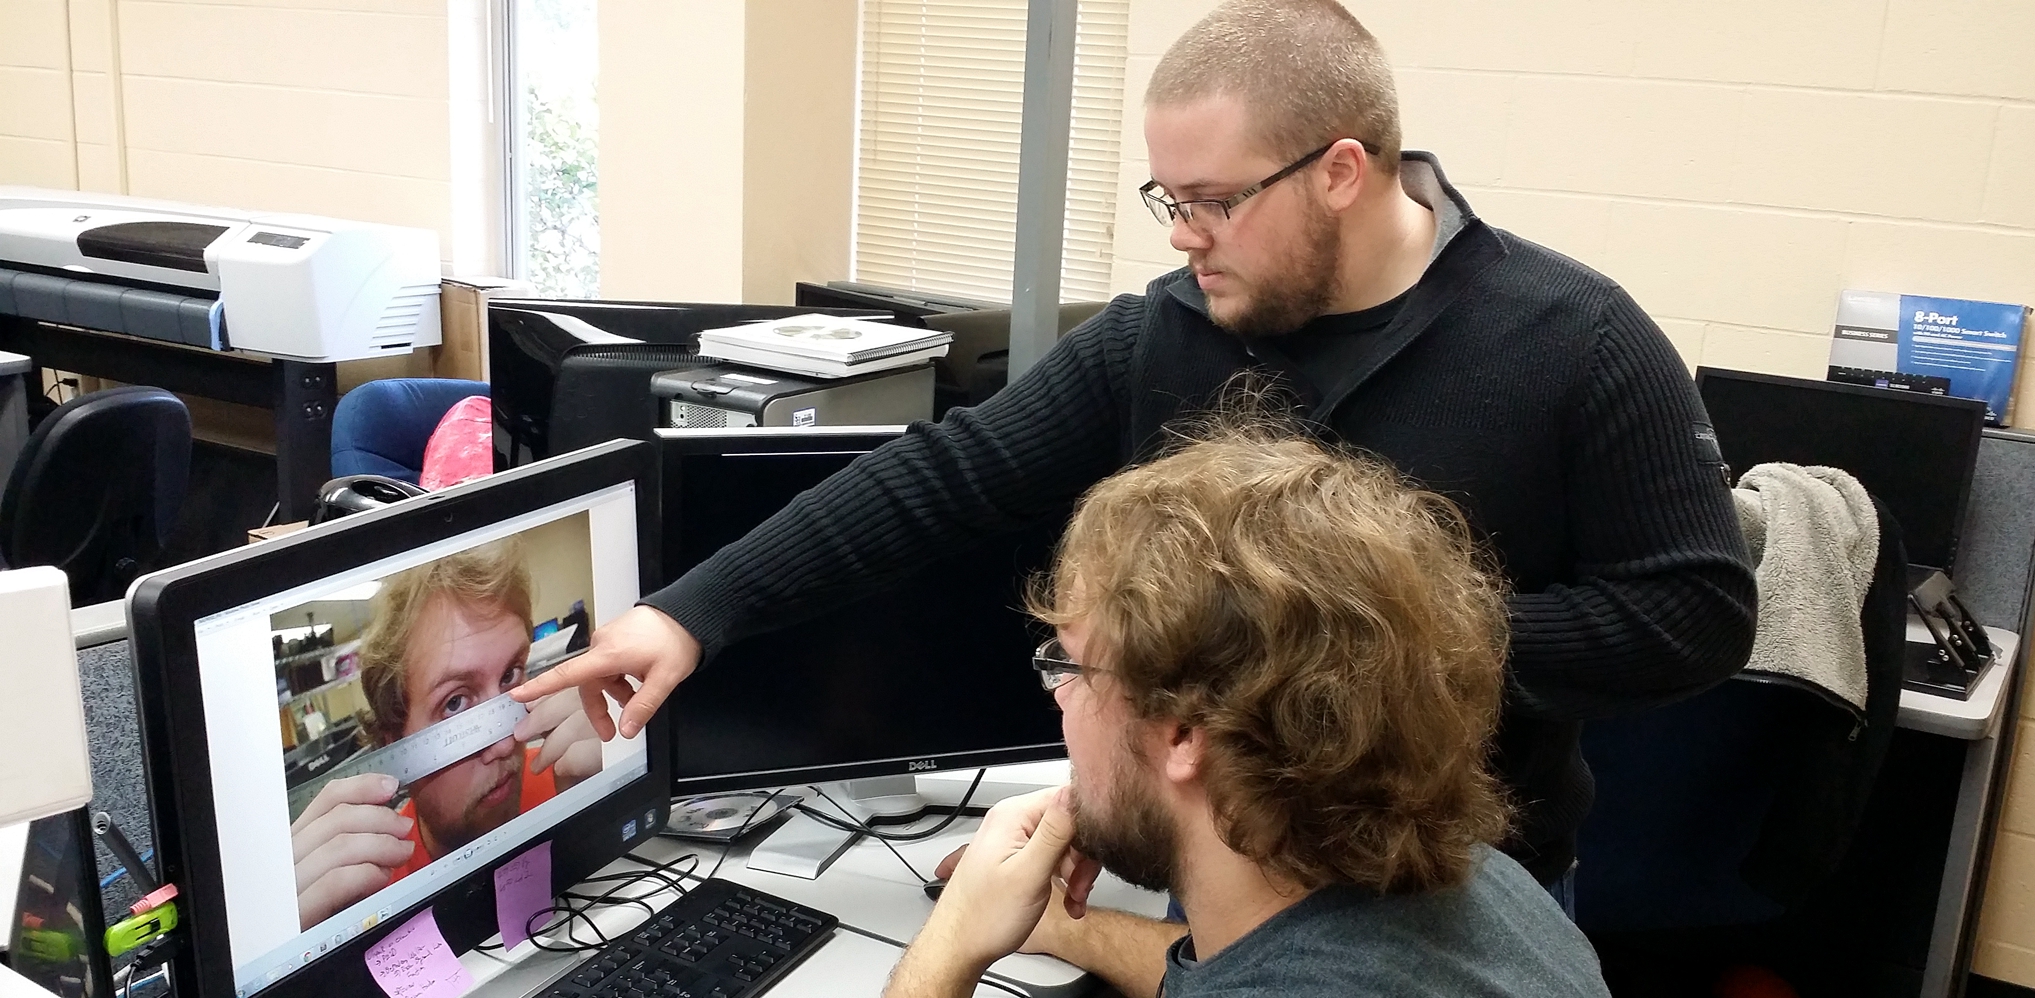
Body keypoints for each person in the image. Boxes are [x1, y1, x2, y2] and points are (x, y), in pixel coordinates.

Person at [517, 0, 1753, 899]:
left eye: (1213, 203)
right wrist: (693, 611)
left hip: (1462, 887)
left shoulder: (1573, 339)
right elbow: (945, 477)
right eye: (1169, 201)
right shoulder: (1165, 334)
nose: (1183, 239)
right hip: (1216, 875)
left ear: (1337, 172)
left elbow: (1692, 619)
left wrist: (1361, 639)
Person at [818, 426, 1663, 998]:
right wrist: (1059, 931)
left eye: (1070, 668)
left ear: (1184, 733)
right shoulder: (1496, 892)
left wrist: (942, 956)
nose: (1061, 702)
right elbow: (1264, 989)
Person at [290, 539, 602, 929]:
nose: (507, 743)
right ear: (394, 746)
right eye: (455, 704)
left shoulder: (572, 783)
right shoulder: (369, 894)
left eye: (510, 676)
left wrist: (602, 822)